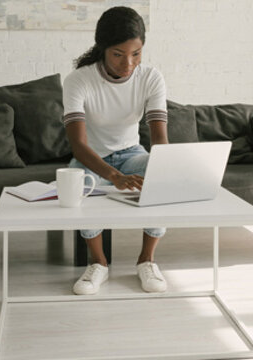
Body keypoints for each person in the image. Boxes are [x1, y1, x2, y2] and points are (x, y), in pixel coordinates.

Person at [62, 6, 168, 295]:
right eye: (118, 54)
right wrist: (114, 175)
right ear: (103, 49)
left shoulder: (151, 78)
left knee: (160, 175)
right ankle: (98, 263)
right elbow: (79, 145)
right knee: (78, 180)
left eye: (136, 54)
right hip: (92, 157)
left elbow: (159, 138)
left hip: (131, 153)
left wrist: (166, 167)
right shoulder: (78, 80)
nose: (128, 64)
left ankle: (147, 260)